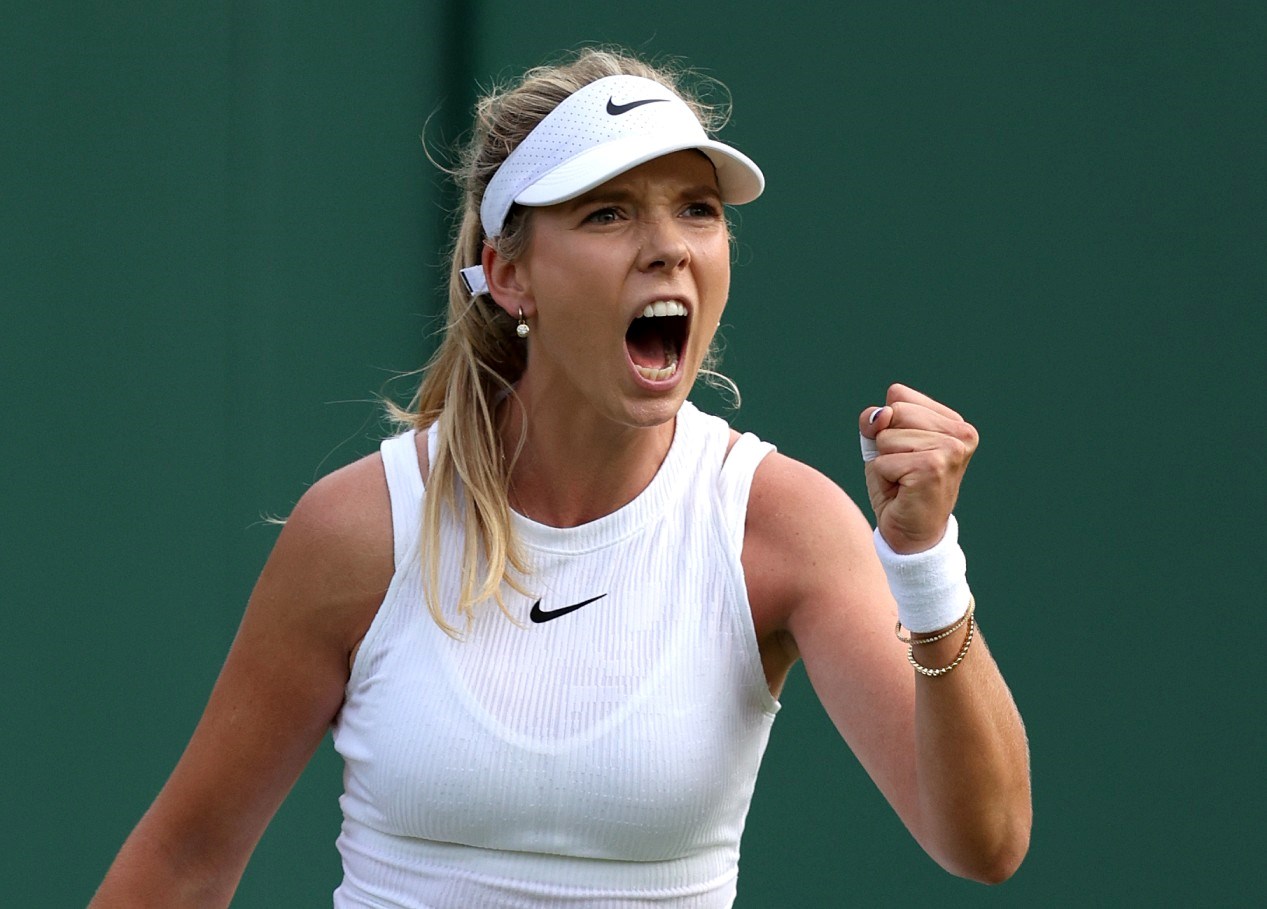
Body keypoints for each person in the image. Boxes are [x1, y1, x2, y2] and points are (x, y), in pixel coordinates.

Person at [90, 48, 1031, 908]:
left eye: (695, 209)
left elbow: (983, 841)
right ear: (509, 275)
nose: (667, 245)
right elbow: (183, 863)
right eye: (607, 212)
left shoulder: (778, 524)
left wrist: (925, 564)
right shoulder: (363, 530)